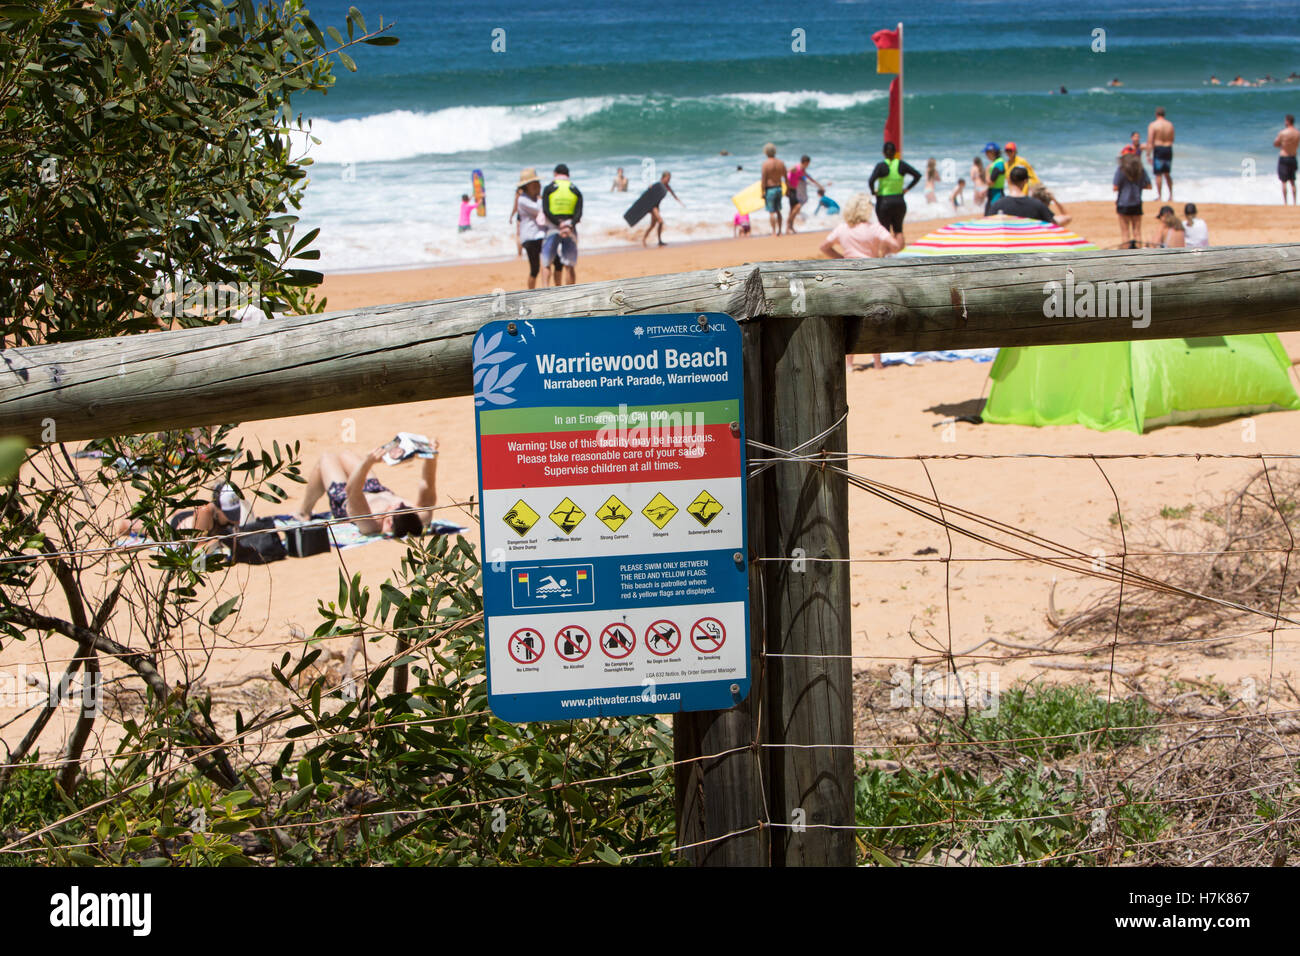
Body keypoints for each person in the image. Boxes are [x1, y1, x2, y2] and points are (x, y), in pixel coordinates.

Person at [818, 193, 904, 372]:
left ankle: (849, 364)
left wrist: (842, 258)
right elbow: (895, 246)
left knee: (851, 320)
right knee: (876, 319)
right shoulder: (873, 228)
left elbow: (824, 247)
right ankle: (878, 363)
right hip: (871, 276)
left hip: (850, 276)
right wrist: (897, 233)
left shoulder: (842, 228)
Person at [296, 441, 439, 538]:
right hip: (375, 488)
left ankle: (304, 512)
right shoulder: (418, 517)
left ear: (389, 523)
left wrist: (367, 463)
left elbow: (352, 491)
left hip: (345, 498)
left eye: (398, 507)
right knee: (346, 454)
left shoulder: (370, 523)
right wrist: (431, 456)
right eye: (404, 506)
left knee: (326, 459)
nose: (399, 504)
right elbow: (427, 483)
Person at [114, 482, 248, 543]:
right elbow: (196, 545)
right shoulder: (205, 512)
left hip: (189, 519)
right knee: (151, 529)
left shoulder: (235, 503)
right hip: (176, 530)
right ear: (218, 509)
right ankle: (126, 523)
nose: (235, 518)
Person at [541, 163, 582, 285]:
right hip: (570, 228)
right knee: (569, 265)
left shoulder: (549, 188)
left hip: (553, 227)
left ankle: (544, 290)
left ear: (555, 174)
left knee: (546, 263)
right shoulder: (575, 189)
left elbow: (546, 210)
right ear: (568, 175)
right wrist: (569, 224)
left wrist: (558, 223)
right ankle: (571, 292)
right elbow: (579, 213)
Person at [868, 141, 920, 236]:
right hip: (899, 201)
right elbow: (917, 175)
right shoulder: (901, 164)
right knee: (898, 231)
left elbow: (871, 181)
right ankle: (899, 250)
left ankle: (887, 251)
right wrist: (907, 188)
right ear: (895, 153)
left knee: (884, 231)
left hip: (884, 202)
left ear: (883, 153)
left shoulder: (881, 166)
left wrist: (873, 192)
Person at [988, 167, 1059, 223]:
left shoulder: (998, 205)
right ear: (1026, 181)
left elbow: (989, 225)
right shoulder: (1037, 205)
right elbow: (1053, 226)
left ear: (1009, 180)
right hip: (1029, 240)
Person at [514, 168, 547, 289]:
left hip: (541, 234)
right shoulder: (523, 199)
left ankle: (546, 289)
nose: (538, 185)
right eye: (535, 183)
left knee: (547, 264)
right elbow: (540, 209)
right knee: (535, 269)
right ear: (527, 185)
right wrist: (540, 198)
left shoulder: (533, 198)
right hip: (530, 237)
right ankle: (530, 293)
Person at [1113, 152, 1151, 248]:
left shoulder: (1121, 170)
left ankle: (1126, 255)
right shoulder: (1141, 170)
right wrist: (1138, 186)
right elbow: (1149, 186)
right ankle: (1139, 255)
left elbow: (1115, 187)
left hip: (1123, 203)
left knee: (1125, 233)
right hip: (1137, 202)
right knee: (1137, 232)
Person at [636, 171, 683, 247]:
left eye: (670, 179)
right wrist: (649, 188)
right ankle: (659, 240)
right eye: (668, 178)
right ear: (663, 177)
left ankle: (644, 239)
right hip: (653, 207)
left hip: (657, 207)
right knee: (660, 222)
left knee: (652, 225)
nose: (669, 180)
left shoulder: (667, 186)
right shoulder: (658, 185)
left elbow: (673, 194)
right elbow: (648, 194)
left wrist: (680, 202)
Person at [785, 155, 823, 234]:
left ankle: (789, 227)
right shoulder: (796, 168)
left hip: (794, 190)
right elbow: (785, 172)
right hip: (790, 190)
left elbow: (811, 180)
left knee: (792, 209)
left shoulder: (803, 171)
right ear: (806, 162)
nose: (808, 165)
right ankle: (788, 224)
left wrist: (820, 186)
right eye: (808, 163)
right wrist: (787, 185)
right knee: (797, 207)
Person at [1146, 107, 1175, 201]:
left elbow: (1150, 140)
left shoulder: (1153, 125)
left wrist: (1148, 154)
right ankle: (1171, 196)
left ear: (1156, 114)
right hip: (1168, 148)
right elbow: (1172, 139)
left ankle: (1160, 196)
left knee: (1158, 174)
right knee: (1167, 173)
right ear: (1164, 114)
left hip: (1158, 149)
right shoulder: (1170, 125)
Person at [761, 143, 788, 236]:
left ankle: (773, 231)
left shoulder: (765, 164)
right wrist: (787, 189)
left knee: (771, 212)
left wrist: (762, 192)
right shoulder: (781, 163)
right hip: (779, 188)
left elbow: (763, 180)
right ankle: (780, 231)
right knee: (778, 210)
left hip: (770, 189)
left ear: (766, 152)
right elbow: (785, 177)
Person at [1274, 114, 1298, 204]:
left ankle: (1285, 203)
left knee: (1284, 182)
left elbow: (1276, 143)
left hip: (1284, 157)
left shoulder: (1283, 133)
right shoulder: (1297, 133)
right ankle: (1295, 203)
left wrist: (1282, 144)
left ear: (1287, 121)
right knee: (1292, 181)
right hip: (1293, 157)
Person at [982, 142, 1005, 212]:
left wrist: (986, 171)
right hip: (995, 193)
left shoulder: (998, 164)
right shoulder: (997, 163)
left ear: (992, 152)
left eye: (986, 152)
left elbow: (991, 182)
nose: (985, 155)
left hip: (996, 194)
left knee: (990, 216)